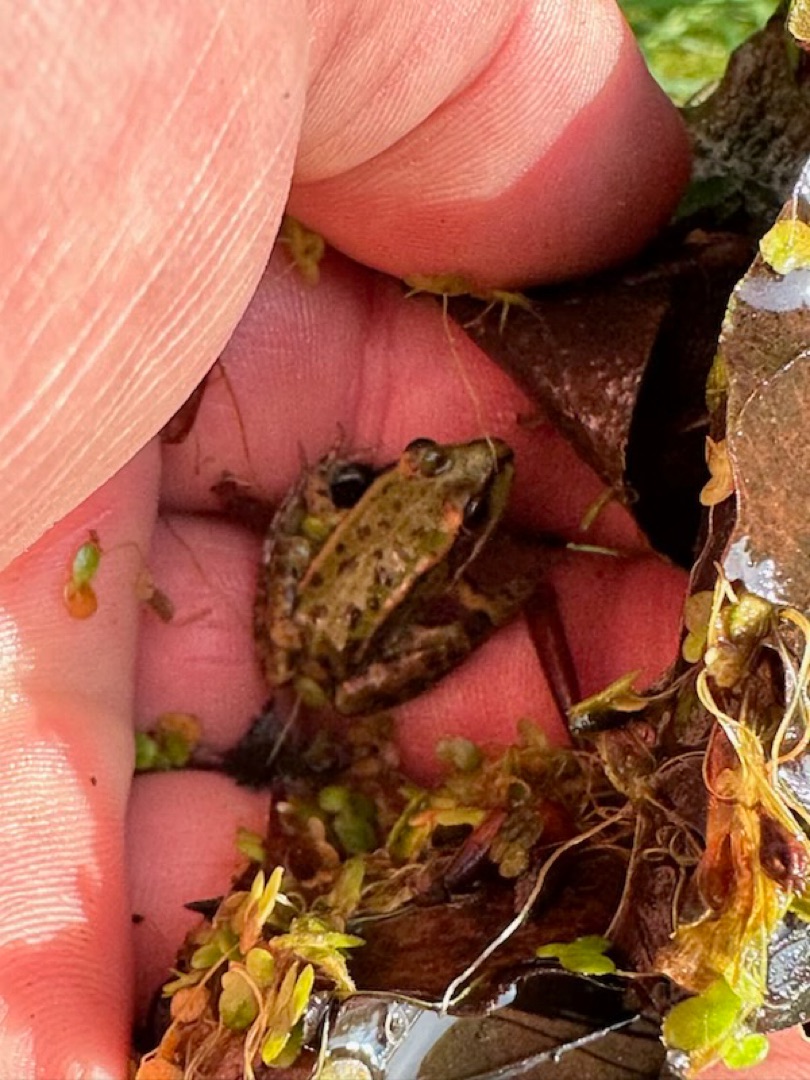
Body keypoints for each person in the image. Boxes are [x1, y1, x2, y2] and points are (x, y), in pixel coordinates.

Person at [0, 1, 804, 1076]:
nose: (471, 467)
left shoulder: (401, 476)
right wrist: (488, 596)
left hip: (307, 609)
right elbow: (413, 567)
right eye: (453, 487)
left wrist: (321, 495)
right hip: (344, 649)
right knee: (451, 623)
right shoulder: (450, 538)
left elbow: (316, 517)